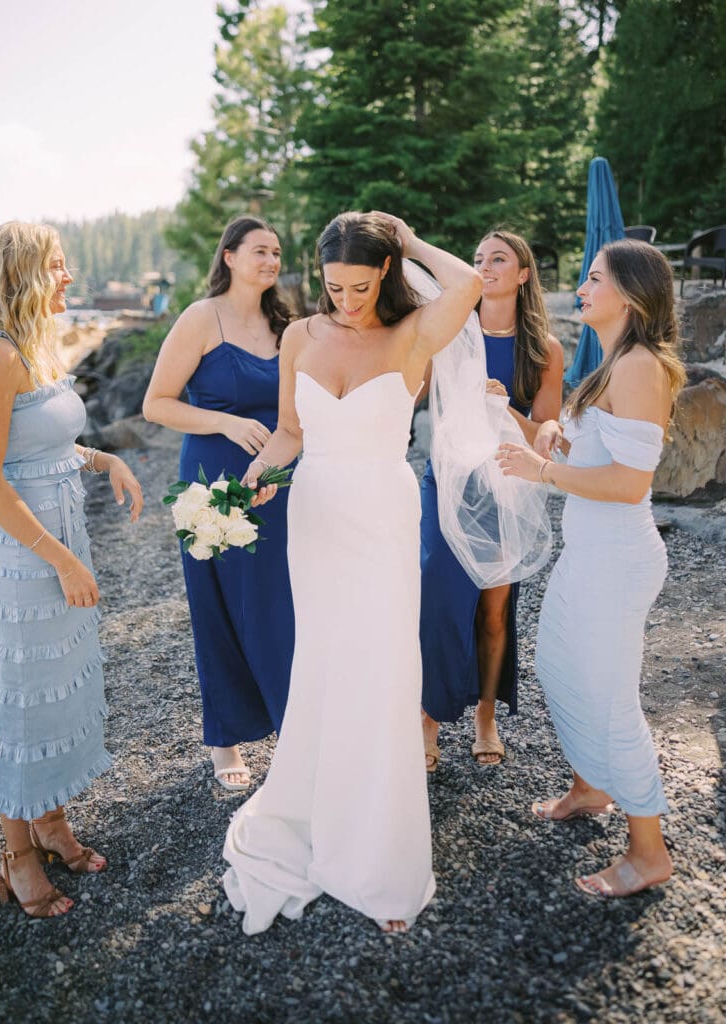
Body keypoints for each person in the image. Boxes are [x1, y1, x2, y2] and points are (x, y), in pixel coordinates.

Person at [222, 211, 483, 934]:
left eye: (361, 286)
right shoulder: (300, 335)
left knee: (383, 669)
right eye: (335, 286)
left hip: (380, 516)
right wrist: (252, 482)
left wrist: (407, 238)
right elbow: (291, 432)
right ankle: (316, 808)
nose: (347, 300)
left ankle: (380, 858)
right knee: (327, 664)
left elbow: (465, 283)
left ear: (387, 273)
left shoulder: (413, 333)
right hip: (315, 517)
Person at [0, 221, 143, 918]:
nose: (70, 277)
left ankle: (53, 820)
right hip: (31, 555)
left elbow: (48, 449)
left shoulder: (37, 344)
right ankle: (18, 855)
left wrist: (109, 459)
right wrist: (61, 558)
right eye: (60, 266)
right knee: (26, 704)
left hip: (63, 542)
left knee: (59, 691)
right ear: (27, 272)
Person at [497, 239, 685, 897]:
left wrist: (543, 470)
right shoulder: (610, 364)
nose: (581, 286)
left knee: (609, 702)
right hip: (589, 555)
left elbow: (630, 483)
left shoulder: (641, 366)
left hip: (618, 559)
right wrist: (536, 429)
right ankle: (591, 788)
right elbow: (588, 448)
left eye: (595, 278)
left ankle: (648, 851)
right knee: (555, 665)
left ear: (632, 294)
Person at [143, 216, 295, 790]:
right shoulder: (200, 318)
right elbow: (156, 403)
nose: (270, 261)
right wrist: (227, 423)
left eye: (277, 252)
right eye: (259, 250)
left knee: (281, 603)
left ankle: (290, 725)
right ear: (228, 256)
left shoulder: (288, 325)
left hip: (278, 477)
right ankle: (226, 741)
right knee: (221, 606)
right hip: (213, 481)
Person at [420, 230, 563, 769]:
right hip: (449, 479)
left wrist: (509, 413)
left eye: (498, 259)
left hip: (506, 484)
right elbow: (414, 392)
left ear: (524, 274)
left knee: (495, 610)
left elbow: (547, 428)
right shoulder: (452, 331)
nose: (485, 266)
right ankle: (429, 717)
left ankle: (487, 715)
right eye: (478, 259)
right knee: (437, 598)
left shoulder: (544, 349)